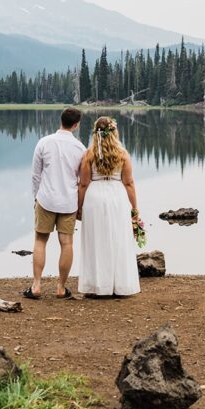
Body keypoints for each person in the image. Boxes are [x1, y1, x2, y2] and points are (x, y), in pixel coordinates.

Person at [76, 116, 141, 297]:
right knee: (118, 239)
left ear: (95, 133)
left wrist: (79, 208)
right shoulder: (122, 154)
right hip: (117, 197)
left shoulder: (89, 154)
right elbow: (129, 183)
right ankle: (120, 286)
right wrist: (135, 208)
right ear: (114, 132)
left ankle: (97, 286)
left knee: (95, 240)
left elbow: (83, 184)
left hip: (94, 198)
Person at [26, 107, 86, 299]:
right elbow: (82, 179)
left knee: (40, 240)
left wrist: (36, 197)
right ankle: (61, 288)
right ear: (76, 125)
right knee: (66, 243)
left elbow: (36, 175)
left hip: (46, 199)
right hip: (68, 202)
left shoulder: (44, 142)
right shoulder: (80, 148)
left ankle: (36, 286)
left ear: (61, 120)